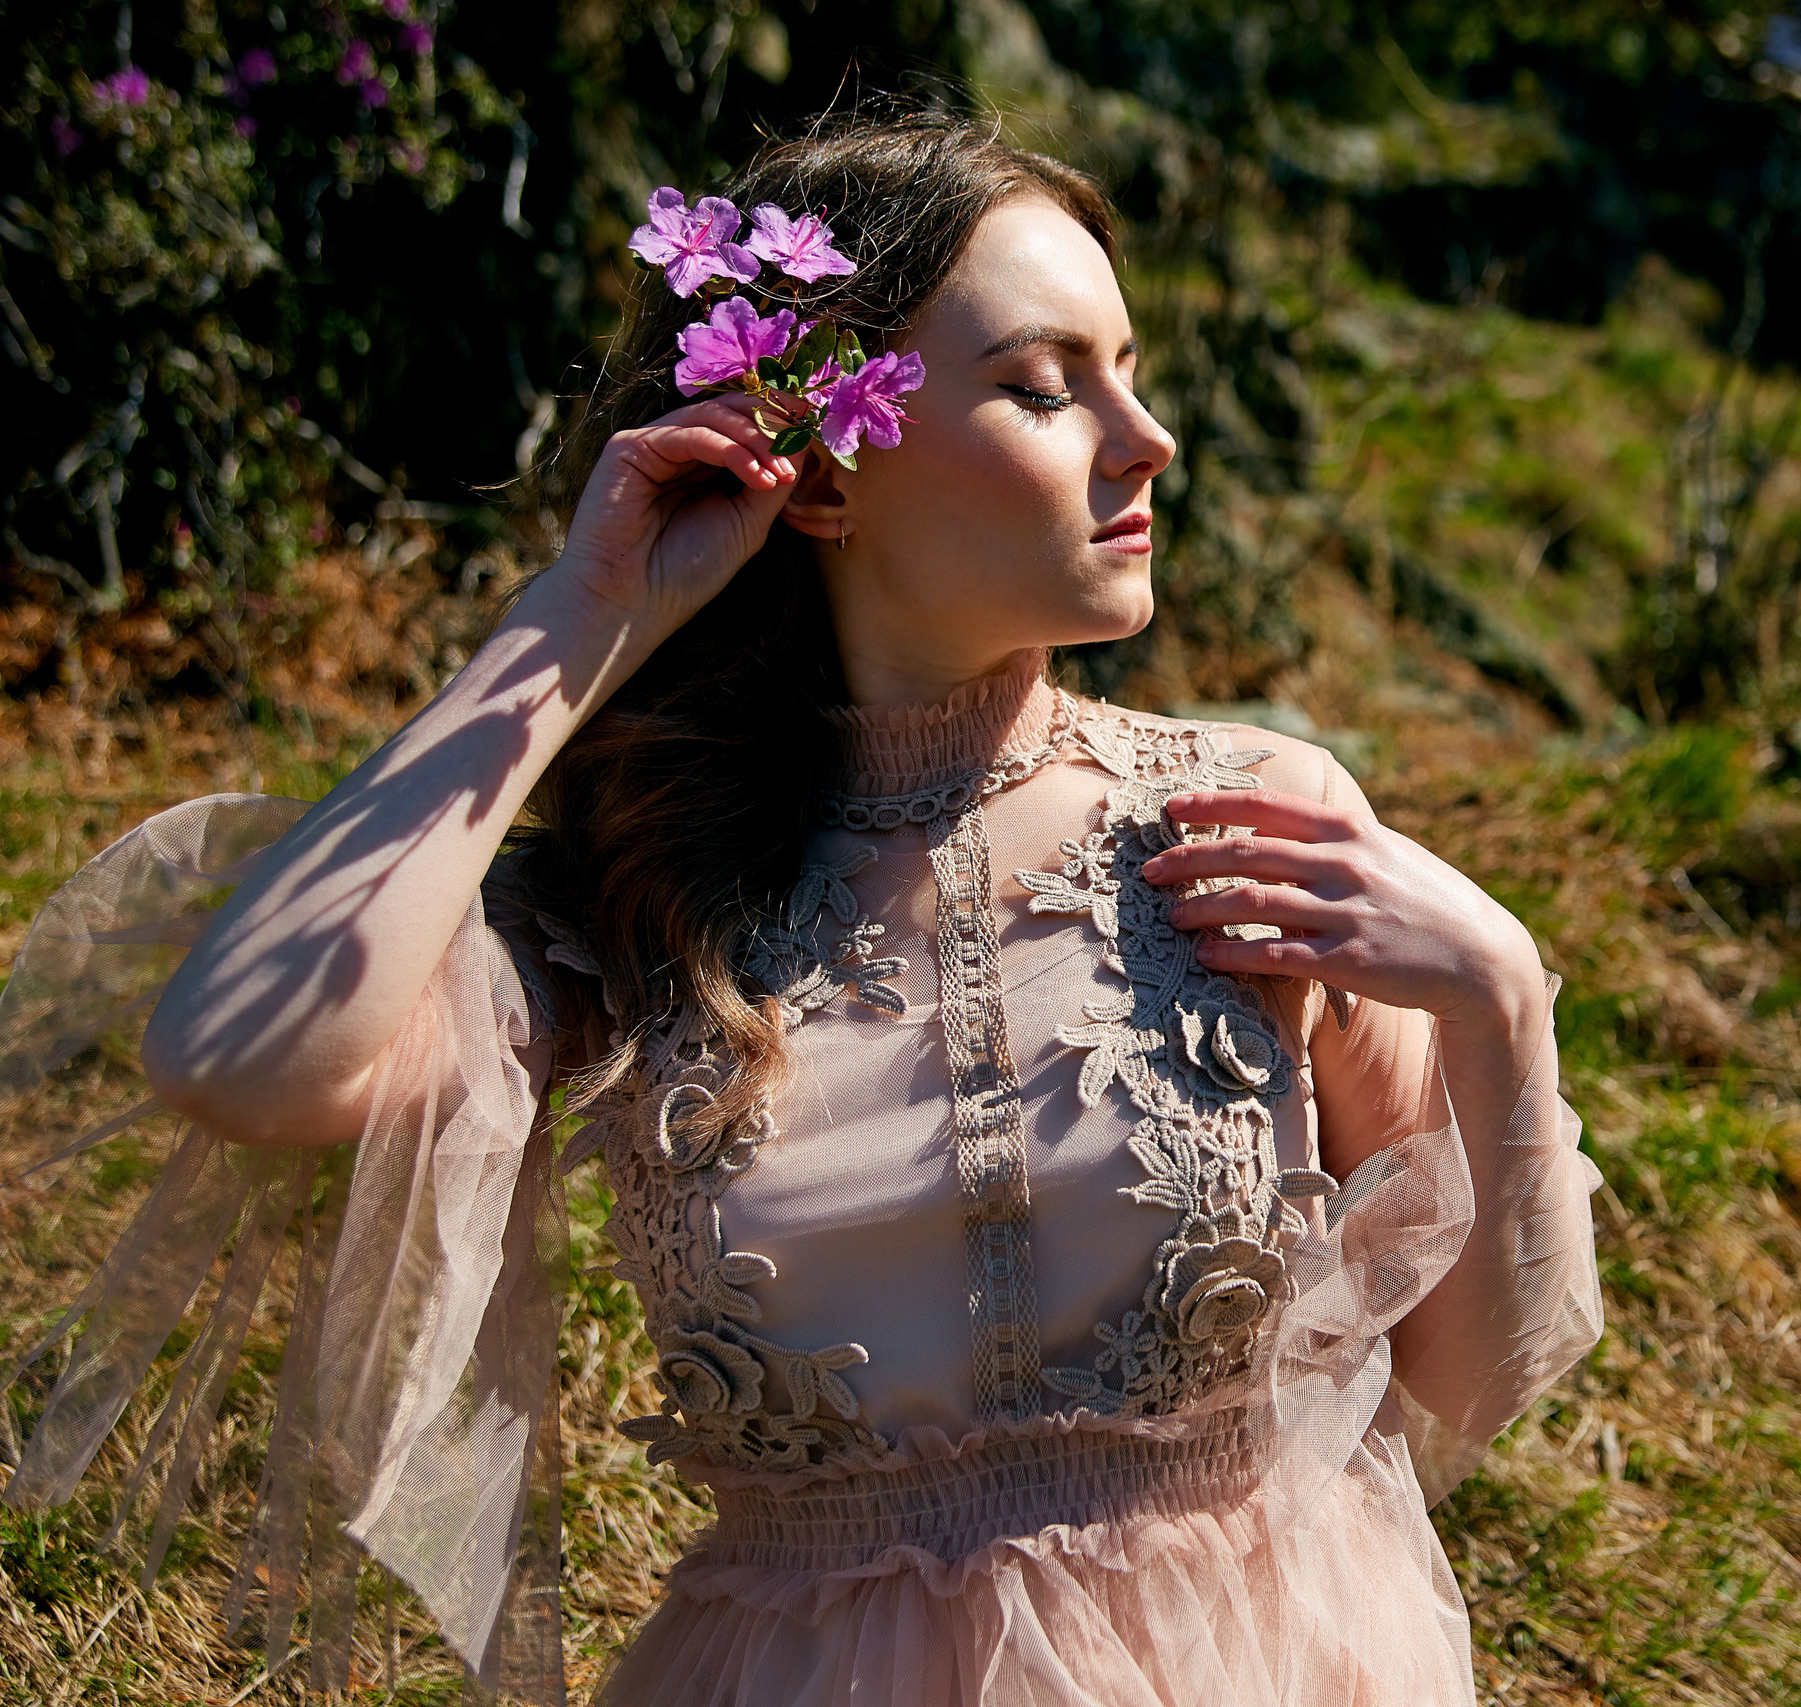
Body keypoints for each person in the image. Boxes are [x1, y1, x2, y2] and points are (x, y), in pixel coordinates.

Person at [0, 107, 1601, 1706]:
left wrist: (1501, 1000)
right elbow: (242, 1060)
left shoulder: (1252, 821)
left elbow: (1466, 1383)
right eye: (1048, 387)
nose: (1146, 436)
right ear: (826, 476)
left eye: (1131, 368)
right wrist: (578, 618)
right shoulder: (643, 892)